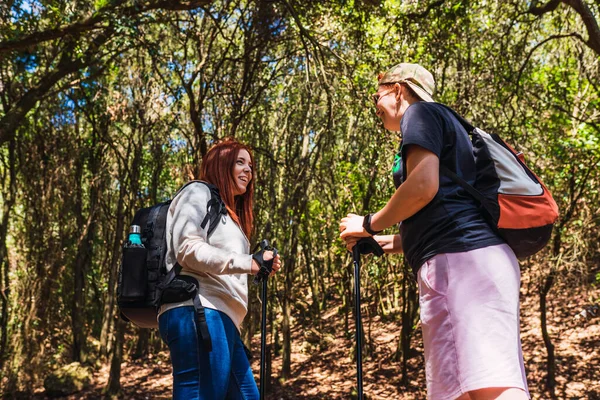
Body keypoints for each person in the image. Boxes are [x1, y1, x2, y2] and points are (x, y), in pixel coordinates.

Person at [339, 63, 530, 400]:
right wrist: (380, 242)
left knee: (485, 388)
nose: (375, 106)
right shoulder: (452, 124)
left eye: (377, 95)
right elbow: (441, 210)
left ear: (398, 90)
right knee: (475, 384)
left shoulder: (420, 114)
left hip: (458, 268)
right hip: (480, 260)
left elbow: (423, 186)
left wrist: (368, 222)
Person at [159, 138, 281, 400]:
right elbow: (188, 249)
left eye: (251, 165)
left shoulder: (229, 214)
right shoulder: (198, 192)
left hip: (223, 318)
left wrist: (259, 265)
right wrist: (248, 262)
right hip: (198, 310)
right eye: (240, 162)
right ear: (221, 164)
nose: (248, 170)